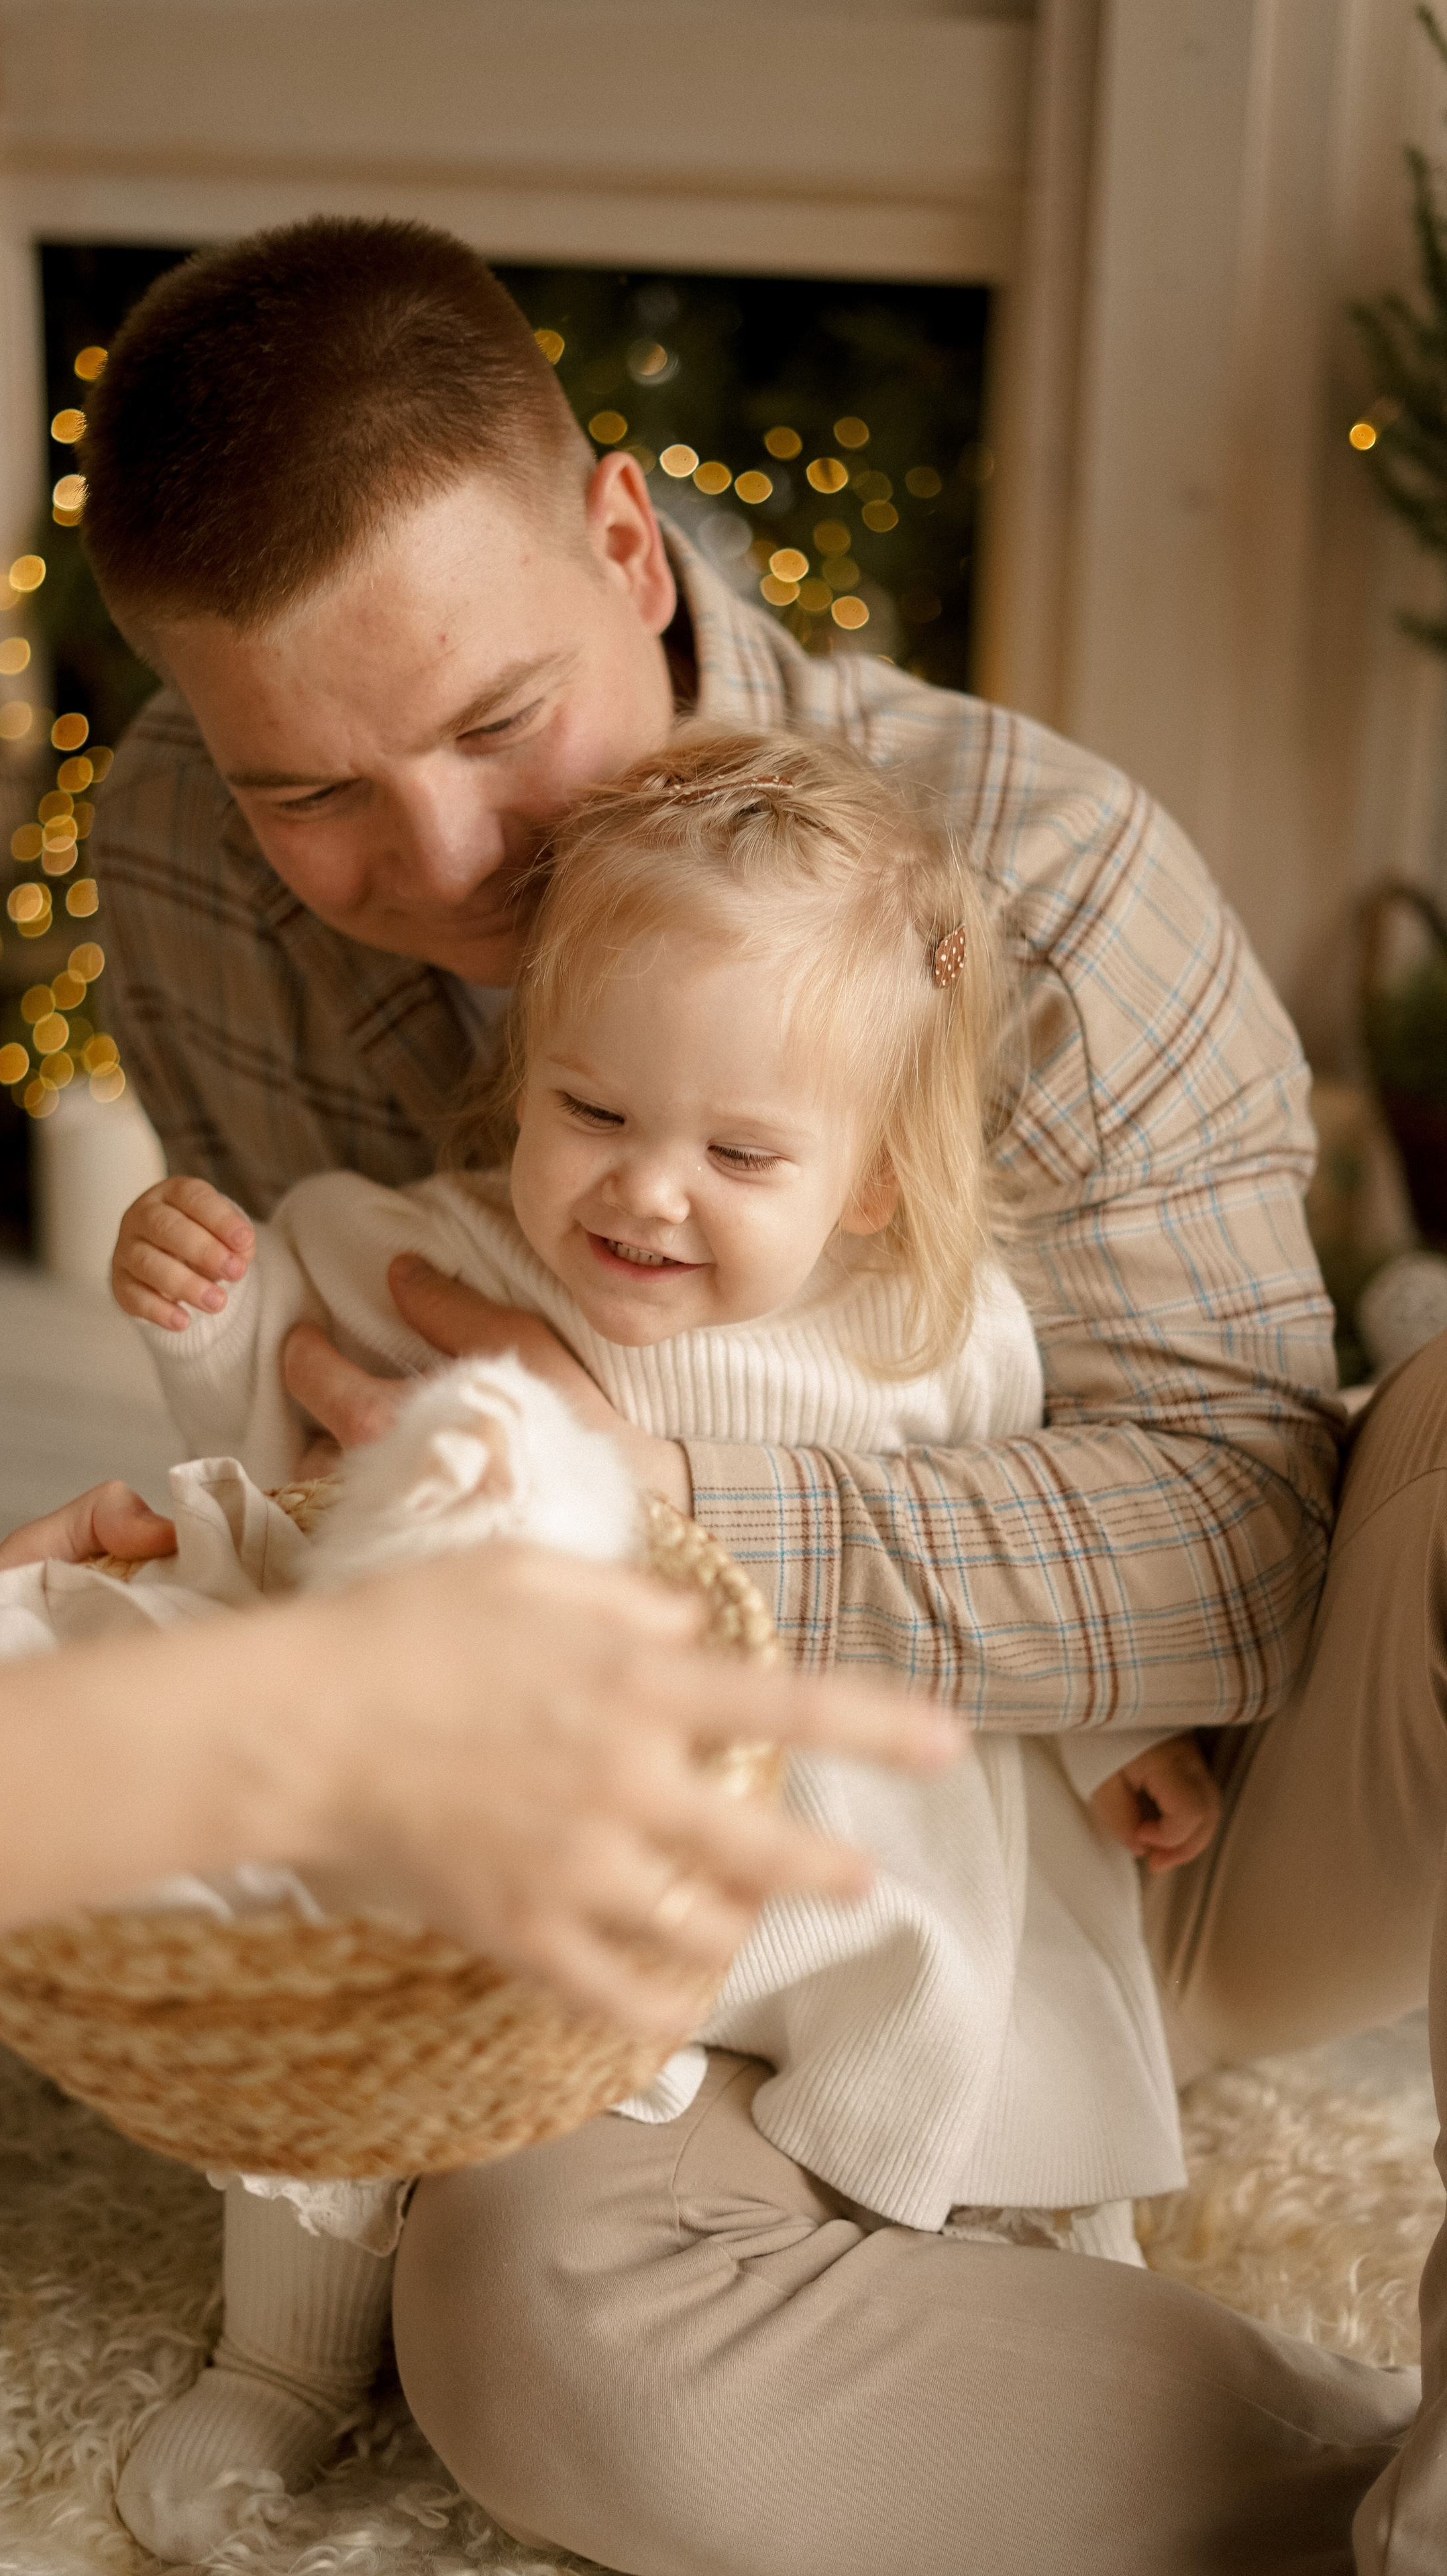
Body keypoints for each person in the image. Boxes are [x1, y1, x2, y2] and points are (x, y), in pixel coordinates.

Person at [80, 214, 1447, 2569]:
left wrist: (651, 1495)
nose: (441, 861)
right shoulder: (184, 873)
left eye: (502, 723)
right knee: (516, 2318)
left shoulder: (1052, 881)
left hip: (1164, 1840)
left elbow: (1244, 1559)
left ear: (626, 537)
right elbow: (329, 1412)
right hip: (714, 1902)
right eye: (314, 788)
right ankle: (1351, 2485)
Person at [0, 18, 967, 2574]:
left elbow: (1112, 1474)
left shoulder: (947, 1031)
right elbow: (289, 1340)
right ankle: (280, 2346)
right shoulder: (380, 1150)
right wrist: (253, 1690)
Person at [105, 722, 1226, 2558]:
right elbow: (273, 1391)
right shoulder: (442, 1254)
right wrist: (201, 1303)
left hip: (843, 1848)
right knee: (339, 1957)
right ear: (530, 1081)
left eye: (739, 1150)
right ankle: (286, 2360)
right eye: (596, 1114)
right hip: (555, 1831)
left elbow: (1028, 1549)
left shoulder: (929, 1336)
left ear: (866, 1179)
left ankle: (1040, 2328)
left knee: (990, 2065)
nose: (644, 1191)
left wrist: (1124, 1741)